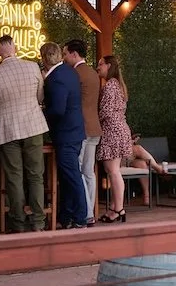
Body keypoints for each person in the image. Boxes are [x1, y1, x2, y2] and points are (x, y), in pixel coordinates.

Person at [0, 34, 50, 232]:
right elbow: (40, 97)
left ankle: (18, 223)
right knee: (36, 175)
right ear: (15, 48)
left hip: (8, 129)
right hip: (33, 126)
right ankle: (38, 222)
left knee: (14, 177)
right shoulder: (32, 67)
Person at [40, 42, 88, 229]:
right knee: (68, 176)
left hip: (66, 134)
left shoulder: (56, 78)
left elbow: (58, 110)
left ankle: (80, 217)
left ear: (44, 58)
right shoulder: (69, 72)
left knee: (72, 176)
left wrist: (41, 113)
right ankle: (67, 216)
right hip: (75, 131)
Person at [63, 38, 100, 227]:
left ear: (74, 54)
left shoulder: (74, 74)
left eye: (65, 54)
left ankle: (84, 213)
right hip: (95, 127)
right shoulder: (93, 72)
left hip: (80, 129)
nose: (64, 58)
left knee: (77, 173)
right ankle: (90, 212)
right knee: (89, 173)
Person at [95, 54, 132, 223]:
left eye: (101, 64)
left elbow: (105, 111)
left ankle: (118, 208)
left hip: (112, 130)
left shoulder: (110, 85)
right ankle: (116, 208)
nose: (98, 67)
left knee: (113, 171)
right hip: (119, 128)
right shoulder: (119, 84)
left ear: (109, 66)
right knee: (114, 171)